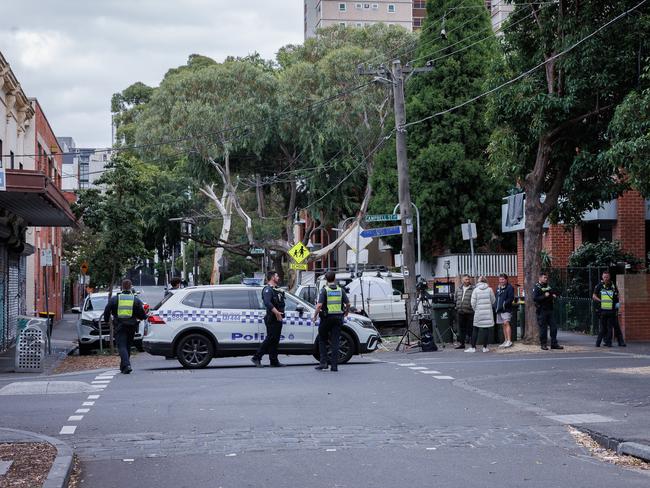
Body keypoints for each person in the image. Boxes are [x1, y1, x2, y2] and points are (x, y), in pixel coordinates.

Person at [103, 279, 148, 374]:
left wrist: (106, 320)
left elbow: (107, 310)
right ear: (131, 287)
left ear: (121, 287)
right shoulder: (135, 299)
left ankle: (127, 365)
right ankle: (123, 367)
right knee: (127, 346)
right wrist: (143, 317)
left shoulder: (115, 299)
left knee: (122, 346)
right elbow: (141, 314)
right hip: (131, 326)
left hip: (120, 325)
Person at [312, 271, 350, 372]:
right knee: (335, 341)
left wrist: (315, 316)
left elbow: (319, 305)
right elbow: (348, 303)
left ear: (326, 279)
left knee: (322, 339)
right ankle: (334, 366)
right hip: (338, 318)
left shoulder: (325, 290)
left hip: (327, 318)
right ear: (334, 278)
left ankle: (323, 363)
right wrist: (346, 312)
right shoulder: (340, 290)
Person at [251, 271, 286, 367]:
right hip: (272, 318)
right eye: (277, 276)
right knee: (270, 339)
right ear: (272, 278)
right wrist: (276, 313)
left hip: (278, 318)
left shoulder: (276, 290)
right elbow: (267, 302)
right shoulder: (267, 290)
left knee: (275, 340)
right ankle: (256, 357)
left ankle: (274, 361)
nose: (278, 277)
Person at [593, 271, 626, 347]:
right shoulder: (599, 286)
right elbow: (594, 296)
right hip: (603, 310)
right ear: (602, 277)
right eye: (604, 277)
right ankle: (606, 341)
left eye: (607, 277)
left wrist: (619, 303)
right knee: (604, 327)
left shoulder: (613, 285)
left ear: (609, 277)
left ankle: (620, 341)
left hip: (612, 309)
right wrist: (600, 300)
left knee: (616, 326)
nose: (606, 278)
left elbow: (618, 295)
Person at [533, 272, 564, 351]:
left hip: (550, 310)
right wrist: (544, 296)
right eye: (544, 278)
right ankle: (543, 344)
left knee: (554, 327)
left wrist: (554, 295)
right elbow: (535, 298)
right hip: (542, 310)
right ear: (540, 278)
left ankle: (554, 344)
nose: (546, 279)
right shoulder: (537, 287)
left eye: (546, 278)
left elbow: (552, 292)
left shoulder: (548, 286)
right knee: (543, 329)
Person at [467, 276, 495, 353]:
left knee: (475, 329)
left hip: (478, 312)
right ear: (486, 281)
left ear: (479, 282)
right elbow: (493, 300)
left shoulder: (475, 290)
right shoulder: (490, 290)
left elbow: (473, 302)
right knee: (486, 329)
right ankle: (485, 347)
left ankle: (473, 347)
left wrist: (476, 309)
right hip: (487, 313)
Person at [454, 274, 474, 349]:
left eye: (468, 279)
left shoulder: (473, 289)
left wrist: (471, 307)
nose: (467, 281)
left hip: (469, 312)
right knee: (461, 329)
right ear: (462, 280)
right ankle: (462, 344)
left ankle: (472, 344)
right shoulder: (458, 288)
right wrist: (457, 306)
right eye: (465, 279)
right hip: (460, 311)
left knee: (470, 329)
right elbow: (455, 298)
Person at [494, 273, 515, 348]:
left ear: (506, 280)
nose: (501, 281)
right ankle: (505, 340)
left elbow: (511, 298)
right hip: (499, 309)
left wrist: (504, 304)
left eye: (503, 279)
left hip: (506, 309)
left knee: (506, 323)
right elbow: (496, 297)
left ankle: (509, 341)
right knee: (503, 325)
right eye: (500, 279)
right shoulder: (498, 288)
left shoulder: (510, 287)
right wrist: (496, 306)